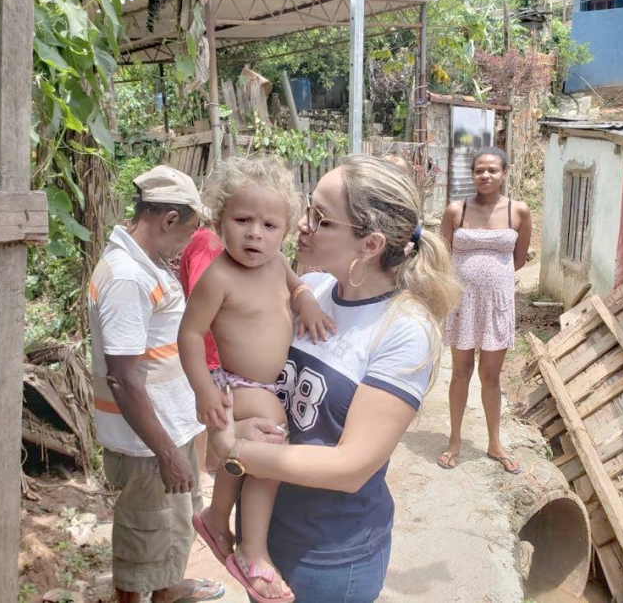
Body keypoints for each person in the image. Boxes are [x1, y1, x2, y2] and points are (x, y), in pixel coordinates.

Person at [203, 155, 461, 603]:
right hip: (263, 531)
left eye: (320, 219)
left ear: (370, 244)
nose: (300, 224)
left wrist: (235, 450)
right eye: (308, 208)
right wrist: (226, 427)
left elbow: (350, 468)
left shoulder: (404, 329)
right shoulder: (314, 290)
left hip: (328, 556)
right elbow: (246, 379)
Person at [178, 155, 334, 603]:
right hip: (238, 383)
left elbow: (297, 286)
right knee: (269, 445)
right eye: (242, 220)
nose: (254, 233)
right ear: (219, 220)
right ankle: (253, 549)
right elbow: (189, 333)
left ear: (284, 231)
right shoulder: (218, 277)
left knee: (253, 453)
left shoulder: (276, 264)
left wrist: (305, 302)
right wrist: (204, 389)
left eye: (269, 225)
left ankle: (217, 516)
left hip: (268, 384)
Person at [87, 165, 226, 603]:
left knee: (171, 521)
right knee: (143, 534)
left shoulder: (144, 265)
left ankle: (168, 588)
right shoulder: (128, 277)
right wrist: (165, 453)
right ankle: (141, 594)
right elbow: (124, 379)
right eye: (186, 232)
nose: (186, 244)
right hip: (147, 442)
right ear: (168, 220)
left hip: (166, 428)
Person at [436, 146, 532, 474]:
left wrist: (494, 280)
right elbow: (442, 256)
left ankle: (494, 443)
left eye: (492, 170)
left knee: (490, 376)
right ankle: (455, 440)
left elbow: (519, 259)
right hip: (462, 303)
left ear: (505, 172)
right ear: (472, 174)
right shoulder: (455, 211)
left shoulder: (519, 212)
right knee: (460, 372)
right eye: (479, 170)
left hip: (497, 305)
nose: (485, 175)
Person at [178, 222, 225, 492]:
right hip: (206, 346)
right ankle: (202, 472)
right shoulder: (209, 243)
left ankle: (207, 467)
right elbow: (201, 290)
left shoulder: (205, 240)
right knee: (204, 409)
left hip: (210, 345)